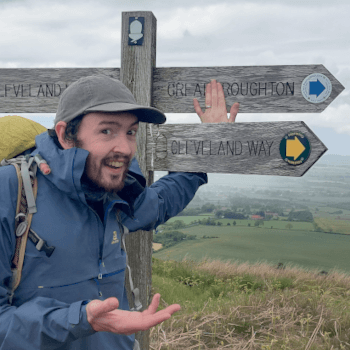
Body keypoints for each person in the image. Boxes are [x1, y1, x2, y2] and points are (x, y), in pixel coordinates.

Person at [0, 75, 239, 350]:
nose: (124, 148)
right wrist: (80, 319)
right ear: (66, 135)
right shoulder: (11, 192)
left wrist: (206, 140)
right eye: (107, 131)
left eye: (130, 132)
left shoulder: (115, 192)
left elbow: (161, 202)